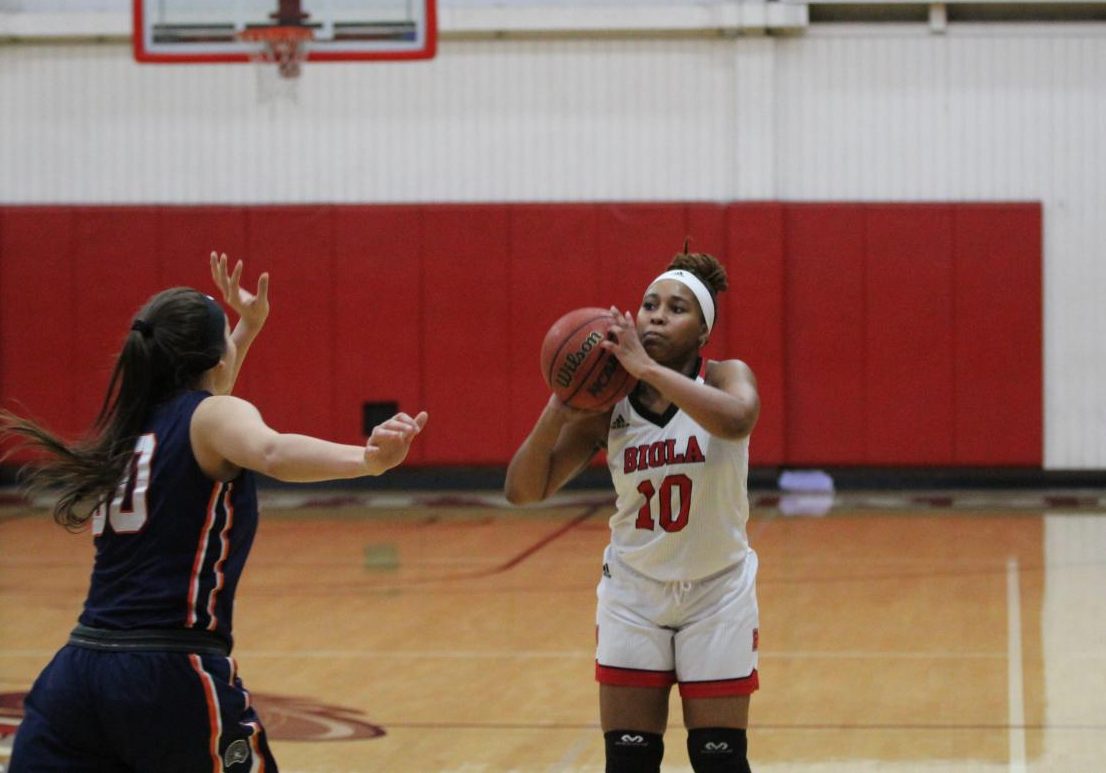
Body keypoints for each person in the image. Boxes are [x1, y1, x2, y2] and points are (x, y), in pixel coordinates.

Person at [0, 252, 428, 773]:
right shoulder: (212, 420)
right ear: (216, 359)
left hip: (78, 676)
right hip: (168, 674)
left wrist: (245, 328)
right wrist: (368, 460)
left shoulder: (131, 427)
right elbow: (270, 452)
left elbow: (210, 393)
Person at [505, 244, 760, 773]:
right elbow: (523, 490)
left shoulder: (724, 377)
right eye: (649, 304)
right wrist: (559, 404)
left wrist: (646, 369)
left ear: (702, 331)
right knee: (628, 762)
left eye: (676, 308)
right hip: (634, 596)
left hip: (717, 594)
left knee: (721, 763)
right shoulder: (609, 407)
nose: (657, 316)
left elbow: (737, 420)